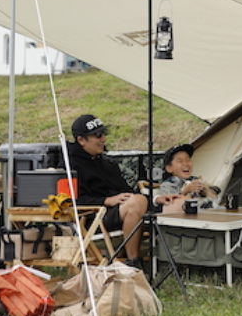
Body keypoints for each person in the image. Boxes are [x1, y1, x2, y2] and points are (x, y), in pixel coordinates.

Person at [65, 113, 148, 268]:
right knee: (137, 203)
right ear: (81, 140)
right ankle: (133, 262)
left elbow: (128, 191)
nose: (103, 139)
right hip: (91, 218)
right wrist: (106, 201)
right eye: (97, 135)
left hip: (114, 212)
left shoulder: (107, 164)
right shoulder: (69, 165)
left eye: (103, 134)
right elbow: (71, 201)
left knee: (152, 202)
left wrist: (157, 199)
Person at [154, 143, 221, 212]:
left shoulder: (195, 179)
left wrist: (205, 189)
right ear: (169, 168)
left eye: (188, 160)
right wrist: (185, 191)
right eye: (180, 161)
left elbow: (217, 192)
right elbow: (170, 202)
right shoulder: (168, 184)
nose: (186, 164)